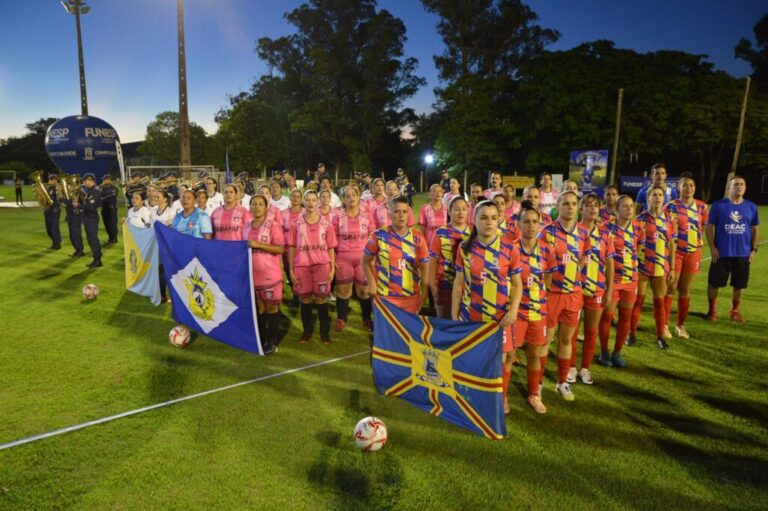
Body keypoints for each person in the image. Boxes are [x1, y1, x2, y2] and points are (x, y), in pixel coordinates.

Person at [452, 201, 523, 414]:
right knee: (471, 357)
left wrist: (513, 311)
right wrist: (454, 314)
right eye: (483, 217)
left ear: (499, 219)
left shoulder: (509, 248)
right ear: (474, 220)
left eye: (493, 217)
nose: (489, 222)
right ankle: (472, 395)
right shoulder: (464, 248)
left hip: (500, 317)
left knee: (500, 360)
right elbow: (458, 282)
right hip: (470, 315)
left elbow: (518, 284)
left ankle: (501, 397)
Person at [541, 191, 590, 401]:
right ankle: (539, 383)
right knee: (546, 341)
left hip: (573, 295)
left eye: (573, 204)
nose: (570, 207)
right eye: (566, 204)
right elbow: (540, 263)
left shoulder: (584, 233)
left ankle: (562, 382)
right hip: (552, 295)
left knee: (566, 339)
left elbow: (583, 260)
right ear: (558, 206)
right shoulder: (547, 232)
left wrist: (573, 280)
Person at [514, 201, 556, 414]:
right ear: (519, 225)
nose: (531, 225)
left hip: (538, 311)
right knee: (507, 356)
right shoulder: (510, 249)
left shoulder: (547, 250)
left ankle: (534, 395)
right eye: (526, 222)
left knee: (534, 355)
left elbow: (548, 277)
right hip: (515, 312)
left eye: (534, 222)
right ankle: (501, 398)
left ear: (540, 225)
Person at [568, 194, 614, 385]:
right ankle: (570, 366)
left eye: (596, 205)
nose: (593, 209)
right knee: (571, 330)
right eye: (588, 205)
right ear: (581, 209)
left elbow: (610, 263)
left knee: (591, 330)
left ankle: (585, 367)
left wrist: (610, 289)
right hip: (574, 289)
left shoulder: (605, 234)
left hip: (597, 288)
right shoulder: (572, 232)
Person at [705, 175, 760, 323]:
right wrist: (713, 248)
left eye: (742, 184)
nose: (739, 187)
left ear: (745, 188)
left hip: (742, 254)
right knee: (714, 283)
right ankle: (712, 310)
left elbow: (755, 229)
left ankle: (734, 310)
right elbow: (709, 227)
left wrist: (753, 249)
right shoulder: (719, 205)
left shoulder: (751, 207)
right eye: (736, 184)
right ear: (730, 187)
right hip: (722, 253)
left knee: (739, 285)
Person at [363, 197, 429, 314]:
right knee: (386, 332)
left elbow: (425, 268)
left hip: (410, 297)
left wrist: (425, 292)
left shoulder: (418, 238)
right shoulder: (378, 235)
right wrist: (371, 283)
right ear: (389, 214)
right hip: (384, 296)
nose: (401, 215)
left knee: (406, 332)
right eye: (397, 212)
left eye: (404, 212)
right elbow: (365, 261)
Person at [597, 195, 642, 368]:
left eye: (631, 206)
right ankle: (604, 352)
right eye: (624, 206)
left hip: (631, 280)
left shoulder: (638, 228)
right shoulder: (605, 227)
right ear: (616, 209)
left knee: (626, 317)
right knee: (607, 316)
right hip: (612, 281)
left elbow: (637, 251)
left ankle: (617, 352)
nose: (629, 209)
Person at [629, 185, 676, 350]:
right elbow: (633, 244)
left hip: (660, 268)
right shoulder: (640, 219)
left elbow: (672, 244)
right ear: (648, 198)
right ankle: (632, 334)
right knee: (638, 302)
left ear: (664, 198)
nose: (657, 198)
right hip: (642, 267)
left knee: (659, 303)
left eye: (660, 195)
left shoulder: (669, 219)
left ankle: (660, 337)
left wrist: (673, 268)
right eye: (654, 195)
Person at [287, 190, 337, 344]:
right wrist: (291, 269)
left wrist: (333, 268)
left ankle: (324, 333)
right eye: (307, 200)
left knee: (321, 299)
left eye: (313, 200)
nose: (310, 203)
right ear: (303, 201)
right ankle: (306, 332)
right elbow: (291, 247)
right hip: (302, 265)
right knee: (306, 299)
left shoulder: (326, 223)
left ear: (317, 202)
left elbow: (331, 247)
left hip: (322, 265)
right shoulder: (296, 223)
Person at [663, 175, 708, 338]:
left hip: (693, 252)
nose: (688, 188)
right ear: (678, 188)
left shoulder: (702, 207)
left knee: (685, 290)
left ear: (694, 188)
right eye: (684, 185)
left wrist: (694, 243)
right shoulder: (671, 207)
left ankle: (680, 325)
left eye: (691, 185)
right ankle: (664, 324)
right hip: (676, 252)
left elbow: (701, 228)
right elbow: (666, 230)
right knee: (670, 287)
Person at [245, 195, 285, 354]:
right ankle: (261, 338)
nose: (257, 207)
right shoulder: (246, 226)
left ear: (266, 207)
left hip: (270, 274)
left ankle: (273, 341)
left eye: (260, 204)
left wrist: (258, 245)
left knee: (271, 307)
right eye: (253, 204)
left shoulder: (273, 225)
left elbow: (280, 248)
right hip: (253, 275)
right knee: (259, 308)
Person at [333, 186, 374, 332]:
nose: (351, 198)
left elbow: (372, 237)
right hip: (343, 257)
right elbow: (332, 239)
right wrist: (334, 259)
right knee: (344, 291)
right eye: (347, 196)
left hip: (363, 258)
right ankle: (341, 319)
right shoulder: (338, 215)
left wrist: (372, 258)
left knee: (363, 292)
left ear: (358, 198)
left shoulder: (366, 215)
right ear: (343, 199)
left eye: (353, 195)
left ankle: (366, 319)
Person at [428, 196, 470, 319]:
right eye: (456, 209)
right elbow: (433, 262)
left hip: (466, 288)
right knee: (444, 322)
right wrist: (433, 287)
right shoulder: (440, 233)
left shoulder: (473, 234)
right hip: (444, 286)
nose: (461, 212)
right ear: (449, 212)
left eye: (464, 209)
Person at [418, 184, 447, 250]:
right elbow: (422, 229)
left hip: (444, 243)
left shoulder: (447, 208)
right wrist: (423, 244)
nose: (437, 193)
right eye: (434, 191)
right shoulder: (424, 208)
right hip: (429, 243)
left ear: (442, 193)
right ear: (430, 194)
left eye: (440, 191)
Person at [43, 174, 62, 250]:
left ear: (55, 180)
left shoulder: (58, 188)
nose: (49, 181)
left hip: (55, 210)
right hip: (48, 210)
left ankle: (57, 244)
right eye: (49, 179)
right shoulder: (48, 188)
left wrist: (53, 205)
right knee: (49, 228)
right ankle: (54, 242)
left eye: (51, 179)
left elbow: (59, 199)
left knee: (54, 228)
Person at [100, 174, 119, 245]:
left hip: (112, 208)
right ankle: (110, 238)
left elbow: (112, 194)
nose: (104, 181)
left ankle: (114, 238)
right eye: (104, 180)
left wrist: (103, 196)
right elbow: (98, 195)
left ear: (109, 180)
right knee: (106, 224)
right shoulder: (101, 187)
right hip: (104, 208)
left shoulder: (114, 188)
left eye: (106, 180)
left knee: (112, 224)